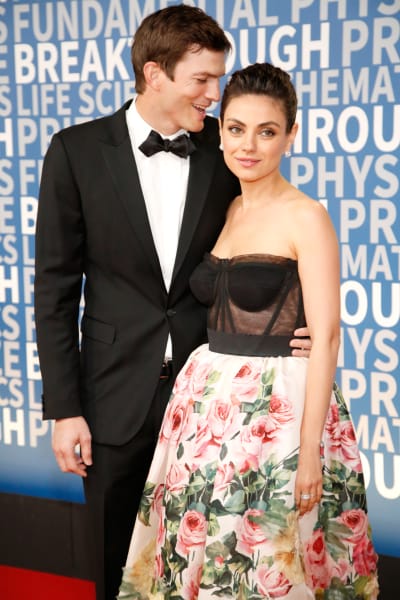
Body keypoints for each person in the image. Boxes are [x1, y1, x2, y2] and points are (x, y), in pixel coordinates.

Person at [34, 7, 312, 600]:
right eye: (203, 80)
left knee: (202, 568)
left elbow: (271, 237)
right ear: (154, 73)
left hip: (210, 407)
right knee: (115, 564)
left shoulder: (225, 147)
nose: (216, 95)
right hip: (111, 397)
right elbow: (53, 291)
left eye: (219, 79)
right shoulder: (75, 151)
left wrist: (299, 324)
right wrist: (64, 408)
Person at [117, 62, 379, 600]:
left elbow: (326, 335)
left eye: (267, 131)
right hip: (207, 414)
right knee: (210, 560)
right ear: (219, 130)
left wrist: (309, 454)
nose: (249, 145)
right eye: (236, 128)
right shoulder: (229, 207)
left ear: (291, 134)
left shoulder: (307, 216)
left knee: (266, 564)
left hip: (277, 420)